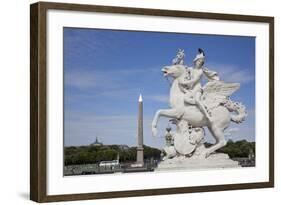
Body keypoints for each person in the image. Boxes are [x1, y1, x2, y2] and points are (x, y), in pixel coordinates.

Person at [178, 48, 219, 121]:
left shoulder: (200, 71)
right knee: (183, 99)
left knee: (197, 100)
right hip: (190, 89)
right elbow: (182, 68)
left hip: (197, 89)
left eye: (202, 62)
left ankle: (207, 115)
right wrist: (181, 59)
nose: (200, 63)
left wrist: (184, 83)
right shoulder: (190, 69)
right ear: (195, 61)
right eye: (199, 61)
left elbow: (194, 80)